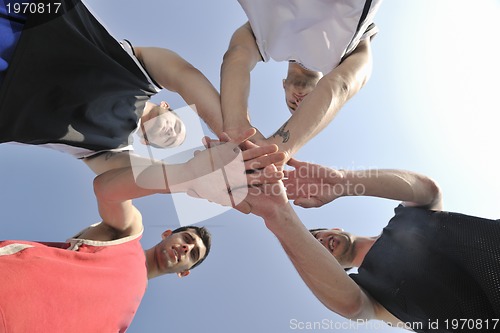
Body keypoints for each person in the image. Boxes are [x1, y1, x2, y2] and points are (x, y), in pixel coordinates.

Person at [0, 129, 285, 332]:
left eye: (193, 253)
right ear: (167, 234)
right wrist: (187, 176)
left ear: (185, 271)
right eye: (186, 239)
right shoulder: (128, 235)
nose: (187, 248)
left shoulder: (124, 320)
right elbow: (107, 190)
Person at [234, 158, 500, 332]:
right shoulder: (373, 296)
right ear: (333, 267)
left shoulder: (407, 219)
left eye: (319, 235)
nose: (322, 242)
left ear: (335, 229)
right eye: (315, 246)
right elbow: (352, 306)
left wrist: (343, 182)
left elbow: (426, 189)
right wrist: (280, 216)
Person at [0, 0, 223, 160]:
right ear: (166, 106)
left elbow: (112, 187)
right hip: (28, 20)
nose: (171, 133)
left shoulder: (110, 147)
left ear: (145, 142)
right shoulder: (145, 77)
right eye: (177, 126)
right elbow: (185, 74)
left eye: (168, 141)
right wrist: (230, 134)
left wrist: (192, 176)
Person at [220, 0, 383, 162]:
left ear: (283, 85)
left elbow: (236, 55)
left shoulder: (263, 39)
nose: (298, 103)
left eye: (292, 104)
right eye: (305, 106)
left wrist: (238, 129)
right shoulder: (348, 51)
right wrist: (279, 151)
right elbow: (340, 86)